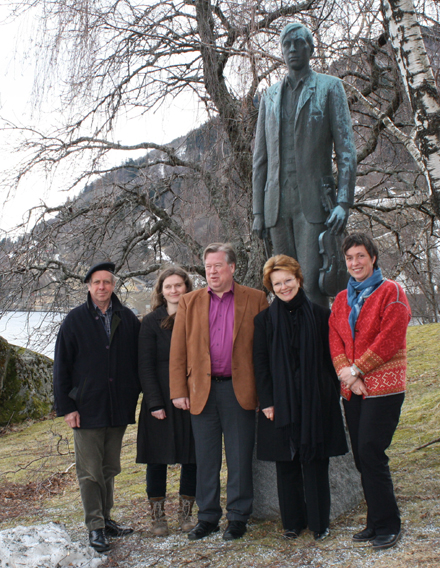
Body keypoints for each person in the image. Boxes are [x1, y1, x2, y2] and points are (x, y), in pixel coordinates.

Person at [252, 22, 357, 307]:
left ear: (310, 48)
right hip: (276, 205)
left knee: (313, 283)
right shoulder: (270, 97)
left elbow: (346, 150)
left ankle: (320, 351)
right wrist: (258, 211)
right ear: (282, 52)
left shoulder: (329, 87)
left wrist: (343, 202)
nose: (293, 50)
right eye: (287, 45)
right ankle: (290, 350)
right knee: (283, 285)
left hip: (313, 203)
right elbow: (260, 160)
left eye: (299, 43)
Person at [169, 243, 268, 541]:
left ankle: (237, 517)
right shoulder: (190, 301)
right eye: (208, 267)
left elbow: (265, 351)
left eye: (218, 266)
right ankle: (208, 516)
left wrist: (267, 393)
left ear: (232, 268)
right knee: (206, 458)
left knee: (239, 458)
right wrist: (178, 390)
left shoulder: (256, 299)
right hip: (202, 392)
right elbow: (178, 351)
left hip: (239, 391)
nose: (212, 272)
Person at [253, 254, 348, 540]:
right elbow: (261, 364)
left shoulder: (321, 315)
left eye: (288, 281)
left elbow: (333, 357)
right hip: (280, 403)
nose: (283, 288)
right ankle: (292, 524)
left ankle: (320, 524)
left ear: (299, 279)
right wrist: (267, 401)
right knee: (287, 464)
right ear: (270, 287)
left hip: (316, 401)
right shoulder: (264, 321)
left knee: (317, 463)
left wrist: (329, 394)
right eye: (277, 283)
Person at [329, 233, 411, 550]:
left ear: (373, 257)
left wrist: (358, 369)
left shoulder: (391, 291)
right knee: (363, 459)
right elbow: (335, 339)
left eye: (360, 256)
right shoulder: (341, 299)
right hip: (354, 390)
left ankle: (389, 524)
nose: (355, 263)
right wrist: (347, 376)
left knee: (372, 453)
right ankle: (375, 521)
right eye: (349, 258)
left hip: (385, 389)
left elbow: (390, 338)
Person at [53, 262, 140, 553]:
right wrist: (67, 407)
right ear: (89, 286)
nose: (102, 287)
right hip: (86, 408)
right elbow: (61, 366)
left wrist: (133, 397)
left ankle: (106, 517)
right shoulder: (75, 319)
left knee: (109, 468)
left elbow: (137, 363)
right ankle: (95, 527)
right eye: (96, 282)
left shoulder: (128, 318)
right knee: (89, 472)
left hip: (117, 408)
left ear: (113, 286)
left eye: (107, 282)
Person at [136, 267, 197, 536]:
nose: (174, 291)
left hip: (191, 397)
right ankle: (158, 517)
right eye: (168, 286)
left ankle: (186, 513)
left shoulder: (197, 316)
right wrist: (154, 403)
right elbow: (144, 366)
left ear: (187, 287)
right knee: (156, 458)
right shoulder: (150, 322)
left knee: (191, 457)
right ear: (161, 290)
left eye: (179, 285)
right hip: (159, 397)